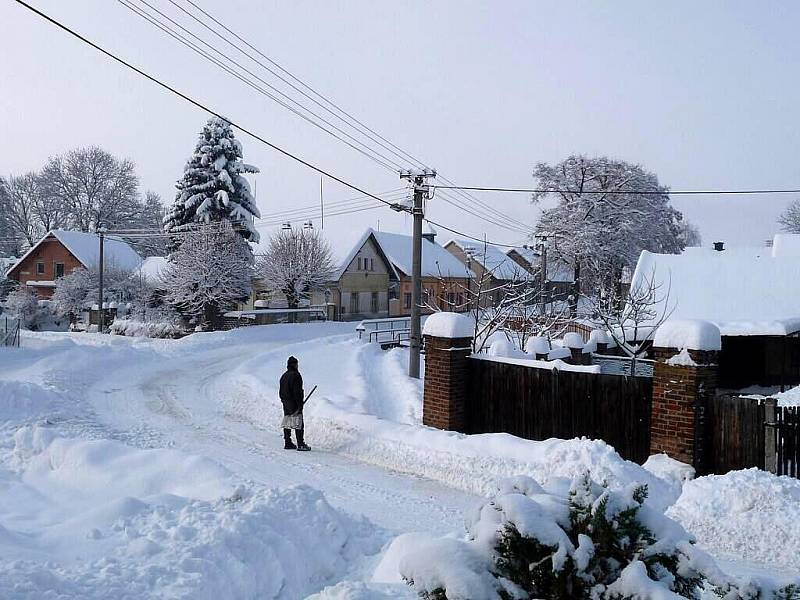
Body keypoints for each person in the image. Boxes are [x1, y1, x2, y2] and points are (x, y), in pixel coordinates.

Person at [279, 356, 309, 451]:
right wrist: (300, 405)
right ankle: (300, 444)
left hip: (285, 401)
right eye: (297, 364)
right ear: (295, 364)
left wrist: (283, 400)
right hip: (293, 402)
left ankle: (288, 442)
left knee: (288, 420)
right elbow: (297, 392)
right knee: (298, 421)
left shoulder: (284, 375)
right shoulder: (296, 375)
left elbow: (281, 391)